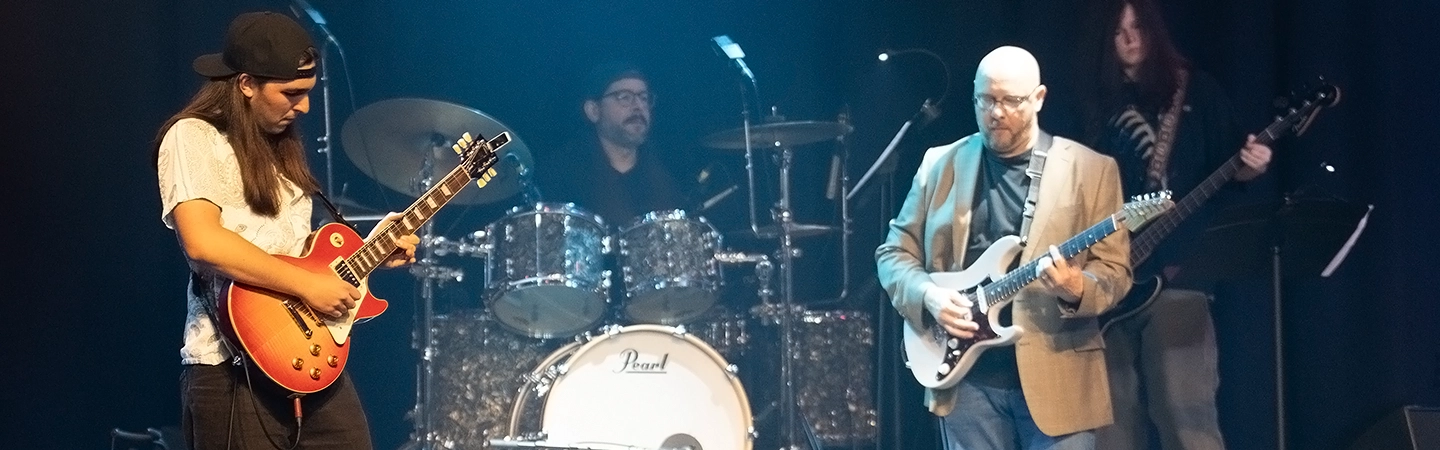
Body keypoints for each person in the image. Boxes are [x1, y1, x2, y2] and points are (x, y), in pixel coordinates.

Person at [154, 12, 418, 449]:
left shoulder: (281, 149)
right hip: (231, 367)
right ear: (245, 85)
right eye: (291, 94)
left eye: (308, 92)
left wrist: (370, 255)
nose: (305, 107)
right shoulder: (194, 136)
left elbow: (300, 253)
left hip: (307, 361)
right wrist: (307, 285)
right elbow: (202, 242)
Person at [876, 46, 1132, 450]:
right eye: (986, 99)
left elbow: (1116, 274)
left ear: (1039, 98)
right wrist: (929, 296)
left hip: (1058, 377)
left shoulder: (1091, 170)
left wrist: (1075, 287)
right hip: (965, 380)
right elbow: (893, 254)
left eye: (1010, 101)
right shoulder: (939, 164)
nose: (996, 113)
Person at [1076, 1, 1272, 449]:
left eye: (1138, 27)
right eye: (1118, 31)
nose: (1129, 39)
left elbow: (1234, 166)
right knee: (1110, 429)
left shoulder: (1195, 91)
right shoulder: (1090, 102)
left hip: (1180, 275)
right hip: (1106, 280)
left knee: (1186, 417)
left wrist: (1253, 163)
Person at [536, 62, 689, 227]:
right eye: (625, 97)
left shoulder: (667, 174)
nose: (638, 106)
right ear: (594, 110)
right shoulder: (562, 172)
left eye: (644, 98)